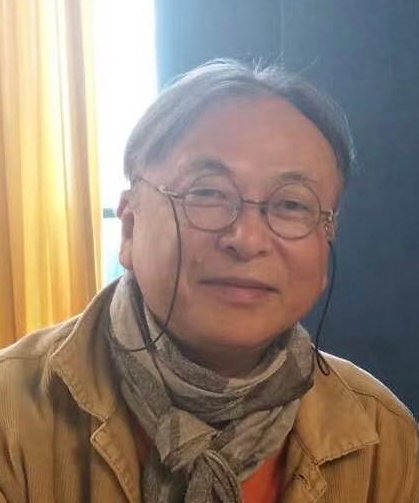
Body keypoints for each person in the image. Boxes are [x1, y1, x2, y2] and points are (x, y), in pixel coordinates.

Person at [0, 59, 417, 503]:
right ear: (130, 227)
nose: (248, 240)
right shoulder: (13, 415)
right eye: (208, 193)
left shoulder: (382, 435)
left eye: (292, 205)